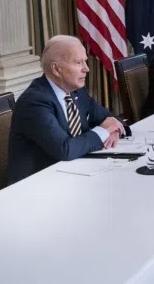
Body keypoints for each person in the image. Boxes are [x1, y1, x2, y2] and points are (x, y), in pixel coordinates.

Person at [7, 35, 125, 183]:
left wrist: (114, 130)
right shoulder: (34, 101)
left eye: (85, 61)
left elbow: (107, 118)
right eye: (78, 62)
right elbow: (65, 149)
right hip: (38, 186)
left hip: (74, 174)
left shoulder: (76, 90)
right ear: (56, 69)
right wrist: (105, 131)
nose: (86, 69)